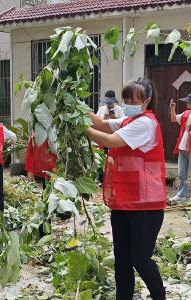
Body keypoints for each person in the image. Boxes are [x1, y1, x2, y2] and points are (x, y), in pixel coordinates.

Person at [86, 78, 166, 300]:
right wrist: (77, 108)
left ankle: (160, 296)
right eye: (126, 99)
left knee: (140, 258)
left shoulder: (146, 123)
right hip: (124, 200)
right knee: (121, 257)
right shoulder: (130, 120)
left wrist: (84, 129)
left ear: (147, 101)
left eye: (134, 99)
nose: (129, 102)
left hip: (146, 204)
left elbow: (110, 140)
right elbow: (101, 124)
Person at [169, 93, 191, 205]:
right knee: (182, 173)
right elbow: (173, 119)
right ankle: (181, 194)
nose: (187, 103)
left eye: (188, 101)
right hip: (183, 146)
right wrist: (172, 108)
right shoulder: (186, 113)